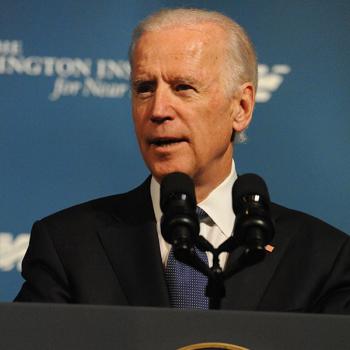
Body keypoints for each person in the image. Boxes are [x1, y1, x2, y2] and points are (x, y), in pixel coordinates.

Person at [15, 8, 350, 313]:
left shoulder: (323, 258)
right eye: (144, 88)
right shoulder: (67, 246)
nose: (158, 110)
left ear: (242, 107)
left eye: (184, 87)